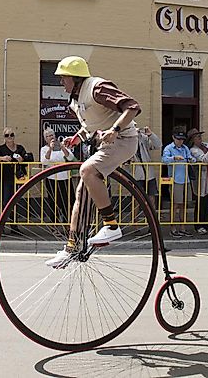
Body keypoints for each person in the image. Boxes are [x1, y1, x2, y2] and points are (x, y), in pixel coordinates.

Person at [46, 56, 141, 268]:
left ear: (76, 78)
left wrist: (115, 130)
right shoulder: (76, 99)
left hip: (124, 140)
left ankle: (111, 225)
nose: (61, 82)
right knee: (81, 191)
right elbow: (91, 123)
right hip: (105, 145)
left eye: (64, 78)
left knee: (87, 170)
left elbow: (132, 107)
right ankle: (71, 247)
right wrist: (77, 137)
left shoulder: (97, 88)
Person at [0, 127, 33, 228]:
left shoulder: (20, 148)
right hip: (3, 178)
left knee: (13, 202)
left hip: (17, 178)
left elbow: (27, 161)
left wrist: (22, 159)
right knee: (4, 202)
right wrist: (2, 158)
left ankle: (14, 226)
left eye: (11, 135)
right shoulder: (1, 149)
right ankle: (1, 227)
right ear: (4, 137)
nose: (9, 137)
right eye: (7, 135)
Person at [39, 127, 76, 223]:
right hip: (52, 178)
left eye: (51, 135)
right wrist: (50, 148)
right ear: (45, 139)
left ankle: (68, 223)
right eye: (48, 136)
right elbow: (44, 161)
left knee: (68, 201)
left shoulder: (62, 146)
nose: (50, 137)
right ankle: (54, 224)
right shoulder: (44, 149)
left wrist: (63, 147)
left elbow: (70, 157)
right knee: (54, 202)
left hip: (65, 177)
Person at [187, 128, 208, 235]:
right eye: (197, 137)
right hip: (202, 179)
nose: (200, 138)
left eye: (200, 136)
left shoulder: (204, 146)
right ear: (192, 140)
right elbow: (205, 160)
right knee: (202, 202)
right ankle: (199, 225)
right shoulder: (193, 150)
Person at [162, 128, 193, 238]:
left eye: (182, 139)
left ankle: (183, 227)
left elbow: (190, 158)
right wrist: (174, 158)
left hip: (186, 179)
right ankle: (173, 228)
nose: (180, 141)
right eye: (178, 139)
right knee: (175, 204)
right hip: (175, 179)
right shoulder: (169, 148)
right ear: (173, 138)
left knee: (184, 204)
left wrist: (192, 159)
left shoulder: (185, 148)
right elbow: (164, 160)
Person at [132, 126, 162, 215]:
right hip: (136, 174)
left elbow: (158, 145)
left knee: (151, 198)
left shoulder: (143, 138)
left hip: (149, 173)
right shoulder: (126, 141)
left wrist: (150, 134)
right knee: (137, 199)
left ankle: (151, 223)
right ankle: (135, 224)